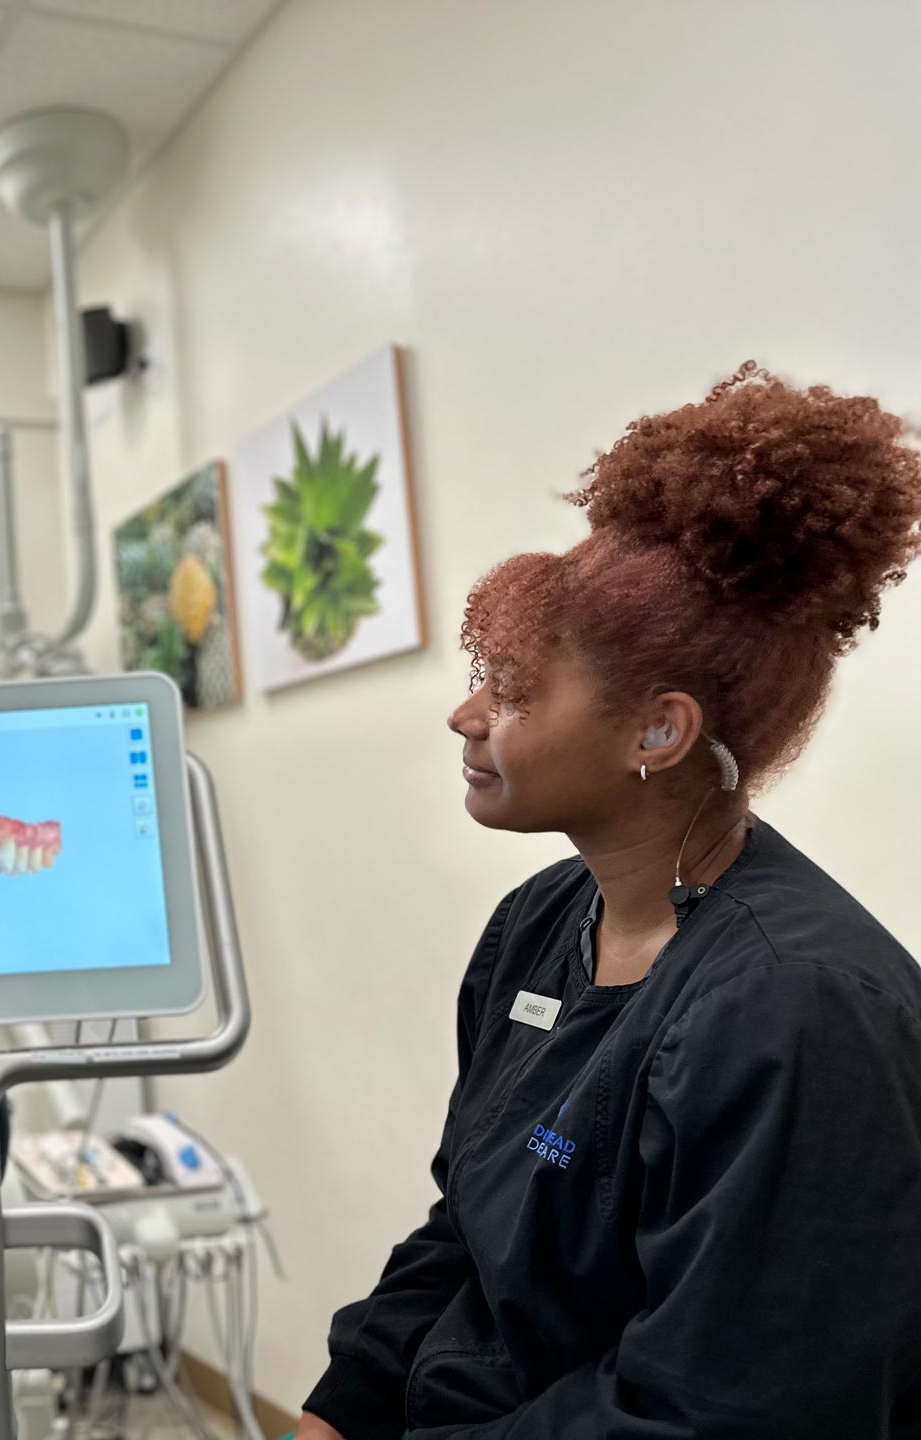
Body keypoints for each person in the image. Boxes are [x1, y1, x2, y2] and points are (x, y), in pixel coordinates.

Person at [297, 364, 921, 1439]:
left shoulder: (796, 1013)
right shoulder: (541, 925)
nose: (464, 716)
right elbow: (469, 1230)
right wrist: (341, 1408)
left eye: (512, 689)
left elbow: (716, 1415)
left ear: (656, 733)